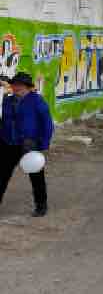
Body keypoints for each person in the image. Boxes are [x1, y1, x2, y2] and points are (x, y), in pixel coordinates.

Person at [0, 72, 53, 217]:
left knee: (36, 177)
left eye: (20, 85)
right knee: (2, 175)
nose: (17, 87)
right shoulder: (7, 101)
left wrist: (44, 143)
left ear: (28, 87)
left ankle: (41, 206)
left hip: (29, 145)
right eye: (15, 84)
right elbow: (3, 122)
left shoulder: (37, 101)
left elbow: (47, 123)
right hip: (8, 143)